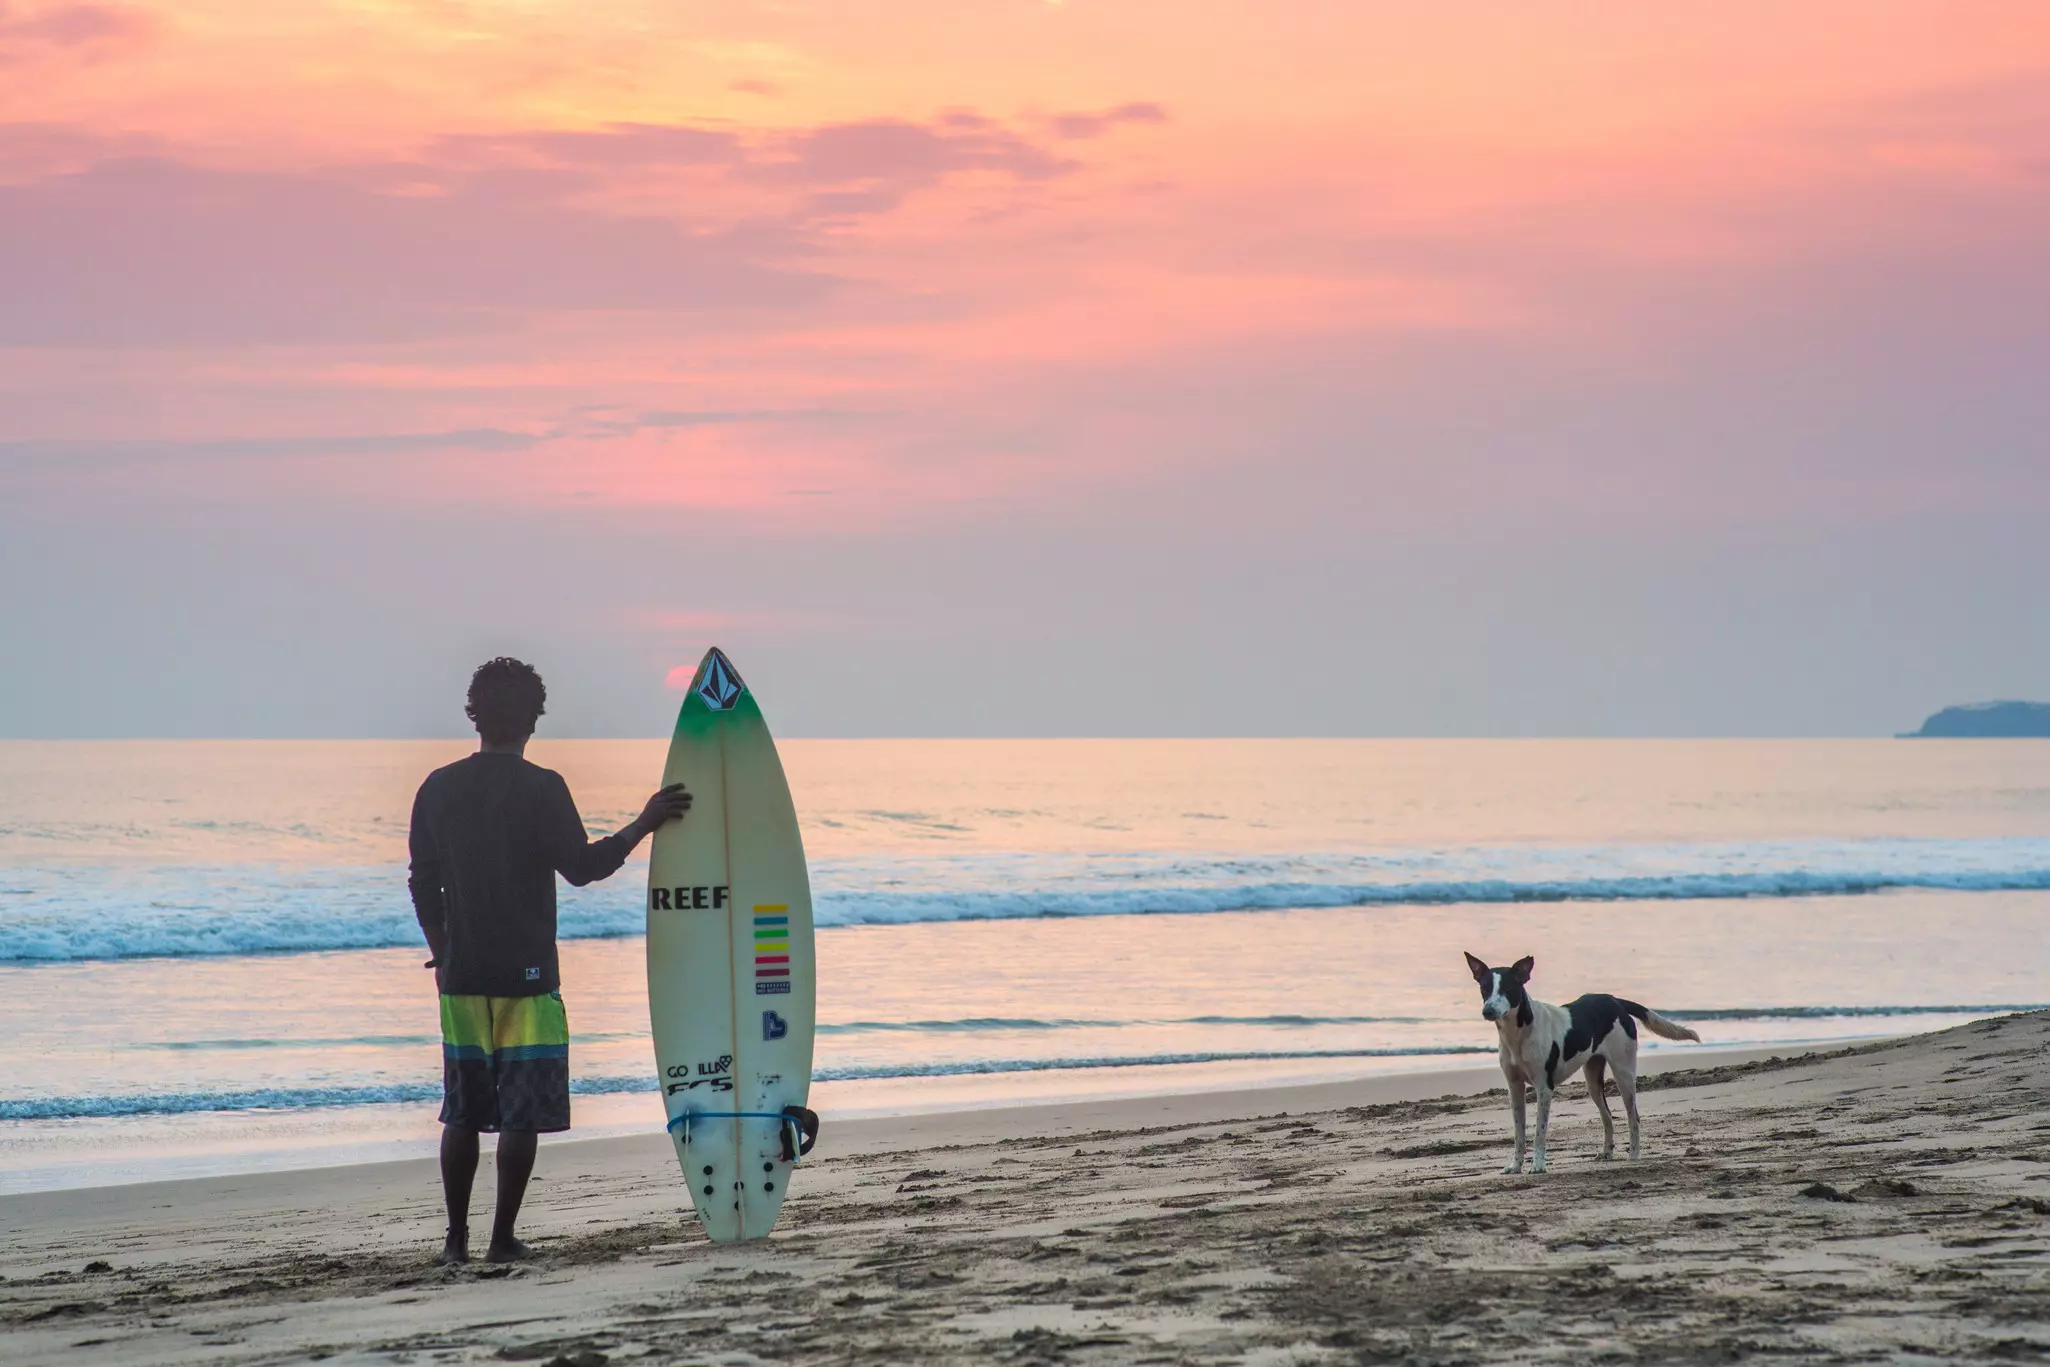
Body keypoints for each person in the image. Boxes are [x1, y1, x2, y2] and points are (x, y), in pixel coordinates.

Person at [408, 657, 690, 1265]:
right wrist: (645, 823)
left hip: (461, 979)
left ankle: (455, 1241)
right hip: (528, 978)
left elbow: (422, 882)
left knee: (461, 1110)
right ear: (533, 720)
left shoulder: (437, 787)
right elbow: (584, 869)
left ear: (474, 714)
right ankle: (501, 1239)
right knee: (519, 1111)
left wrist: (443, 952)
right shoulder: (542, 788)